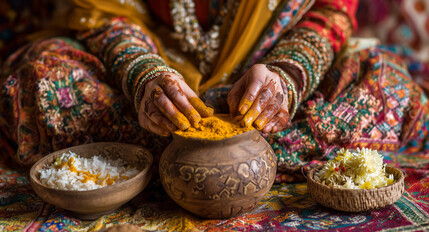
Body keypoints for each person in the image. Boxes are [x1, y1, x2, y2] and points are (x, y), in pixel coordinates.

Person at [0, 0, 427, 182]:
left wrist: (288, 76)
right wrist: (141, 73)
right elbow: (104, 12)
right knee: (39, 79)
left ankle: (154, 154)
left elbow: (331, 12)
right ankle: (260, 151)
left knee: (387, 85)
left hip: (272, 64)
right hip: (154, 62)